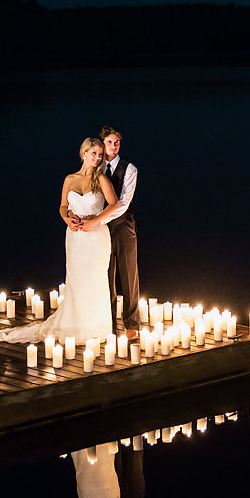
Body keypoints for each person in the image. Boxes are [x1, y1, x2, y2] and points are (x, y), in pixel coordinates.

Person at [0, 137, 118, 344]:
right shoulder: (70, 179)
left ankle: (96, 328)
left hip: (96, 237)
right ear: (83, 153)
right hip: (75, 238)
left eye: (100, 155)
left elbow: (114, 205)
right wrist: (67, 219)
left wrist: (95, 220)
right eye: (94, 153)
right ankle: (75, 324)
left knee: (95, 280)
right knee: (77, 281)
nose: (97, 158)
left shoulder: (101, 179)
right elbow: (61, 206)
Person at [93, 125, 141, 342]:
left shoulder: (129, 168)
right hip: (101, 227)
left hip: (123, 225)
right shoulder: (96, 167)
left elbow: (123, 203)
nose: (113, 146)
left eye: (117, 142)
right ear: (102, 144)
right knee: (106, 274)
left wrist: (98, 220)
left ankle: (132, 324)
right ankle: (109, 323)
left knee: (128, 273)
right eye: (109, 142)